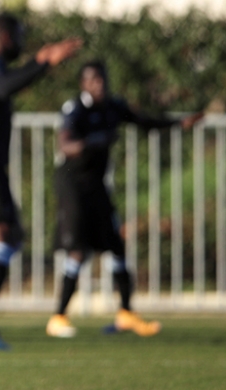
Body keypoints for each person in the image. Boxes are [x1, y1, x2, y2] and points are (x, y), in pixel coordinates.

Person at [47, 61, 203, 338]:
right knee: (78, 251)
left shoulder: (112, 106)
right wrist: (94, 141)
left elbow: (145, 121)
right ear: (84, 83)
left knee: (116, 246)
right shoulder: (76, 109)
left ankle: (126, 314)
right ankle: (58, 317)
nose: (100, 85)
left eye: (103, 79)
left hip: (96, 185)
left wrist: (179, 122)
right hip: (72, 185)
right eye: (94, 80)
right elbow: (66, 145)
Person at [0, 13, 81, 350]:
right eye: (19, 35)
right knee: (4, 237)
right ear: (5, 37)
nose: (22, 41)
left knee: (8, 236)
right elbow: (4, 86)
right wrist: (42, 61)